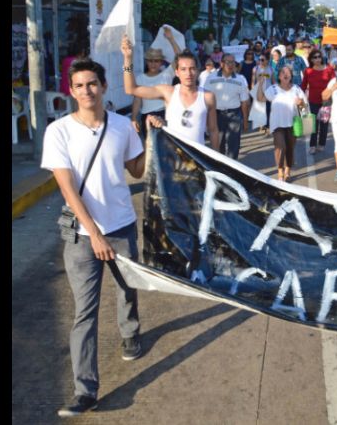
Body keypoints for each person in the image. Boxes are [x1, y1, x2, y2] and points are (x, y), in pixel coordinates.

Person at [42, 58, 146, 417]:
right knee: (84, 312)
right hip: (83, 236)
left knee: (127, 289)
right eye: (79, 86)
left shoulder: (122, 126)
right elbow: (68, 189)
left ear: (103, 86)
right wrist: (95, 234)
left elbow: (137, 170)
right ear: (72, 92)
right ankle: (85, 390)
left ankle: (130, 332)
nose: (86, 90)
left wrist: (150, 136)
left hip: (122, 225)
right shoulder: (58, 131)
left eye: (92, 84)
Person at [122, 36, 219, 150]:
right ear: (177, 72)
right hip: (173, 156)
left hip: (197, 156)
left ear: (197, 71)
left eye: (192, 69)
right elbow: (130, 89)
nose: (188, 73)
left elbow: (213, 130)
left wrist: (216, 157)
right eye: (183, 69)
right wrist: (127, 58)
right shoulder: (168, 92)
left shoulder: (208, 97)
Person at [131, 28, 183, 140]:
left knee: (168, 146)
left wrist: (171, 39)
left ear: (161, 62)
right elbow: (137, 100)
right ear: (146, 61)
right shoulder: (140, 78)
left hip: (166, 115)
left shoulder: (167, 74)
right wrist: (134, 118)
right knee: (150, 147)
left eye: (156, 61)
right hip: (147, 116)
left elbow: (180, 58)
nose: (153, 64)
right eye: (150, 60)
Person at [257, 66, 306, 181]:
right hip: (277, 124)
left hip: (293, 124)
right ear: (279, 76)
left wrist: (301, 103)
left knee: (290, 148)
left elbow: (304, 106)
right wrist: (260, 84)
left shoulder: (296, 89)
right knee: (280, 146)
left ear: (291, 76)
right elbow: (260, 98)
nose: (285, 74)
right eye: (283, 72)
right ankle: (280, 171)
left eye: (288, 72)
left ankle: (287, 170)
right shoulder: (273, 89)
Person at [200, 54, 252, 159]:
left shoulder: (240, 79)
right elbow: (205, 98)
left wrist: (245, 121)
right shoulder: (211, 77)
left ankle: (231, 167)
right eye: (228, 62)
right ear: (222, 63)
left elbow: (244, 102)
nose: (231, 65)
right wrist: (205, 119)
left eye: (233, 62)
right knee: (219, 145)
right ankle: (221, 167)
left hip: (234, 115)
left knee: (234, 146)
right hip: (216, 115)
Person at [301, 48, 336, 154]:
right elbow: (303, 85)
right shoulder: (308, 71)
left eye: (319, 57)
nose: (317, 59)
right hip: (312, 101)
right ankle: (312, 145)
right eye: (314, 57)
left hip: (326, 101)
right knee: (313, 125)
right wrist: (300, 98)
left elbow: (335, 84)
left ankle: (321, 144)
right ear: (311, 59)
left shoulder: (329, 69)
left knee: (324, 124)